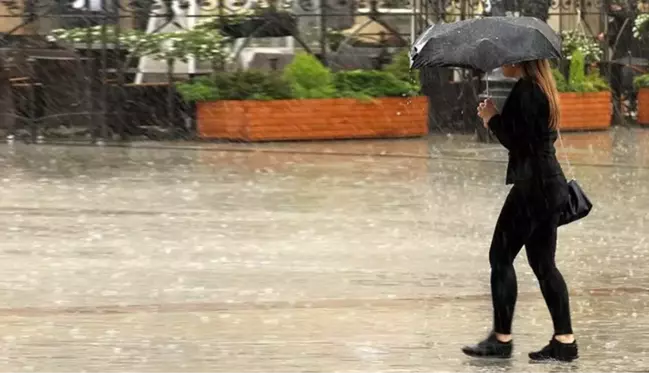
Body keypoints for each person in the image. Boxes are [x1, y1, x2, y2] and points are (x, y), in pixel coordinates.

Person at [461, 59, 578, 362]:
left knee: (500, 257)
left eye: (505, 61)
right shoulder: (543, 89)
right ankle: (564, 341)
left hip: (532, 187)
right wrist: (499, 118)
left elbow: (517, 142)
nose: (500, 65)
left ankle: (501, 339)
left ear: (519, 61)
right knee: (544, 265)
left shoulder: (526, 91)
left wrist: (492, 118)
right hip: (550, 184)